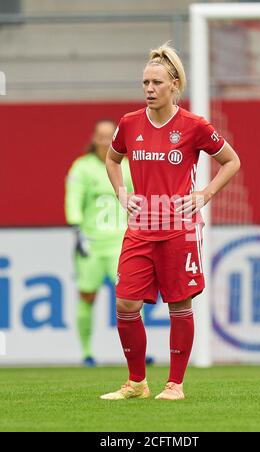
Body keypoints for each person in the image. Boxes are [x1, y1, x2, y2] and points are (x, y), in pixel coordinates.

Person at [101, 42, 240, 399]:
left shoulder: (193, 125)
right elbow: (113, 159)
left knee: (179, 303)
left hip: (180, 228)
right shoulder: (129, 123)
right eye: (145, 82)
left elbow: (232, 161)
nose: (149, 89)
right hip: (141, 228)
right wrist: (121, 192)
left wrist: (204, 194)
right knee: (125, 303)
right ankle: (136, 383)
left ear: (175, 84)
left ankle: (175, 384)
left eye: (157, 83)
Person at [65, 119, 133, 367]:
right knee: (87, 295)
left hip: (121, 241)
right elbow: (74, 198)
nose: (106, 140)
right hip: (91, 242)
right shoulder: (82, 168)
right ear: (94, 138)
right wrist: (76, 228)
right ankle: (86, 353)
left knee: (130, 297)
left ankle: (135, 351)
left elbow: (139, 199)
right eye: (101, 136)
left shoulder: (127, 166)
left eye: (110, 136)